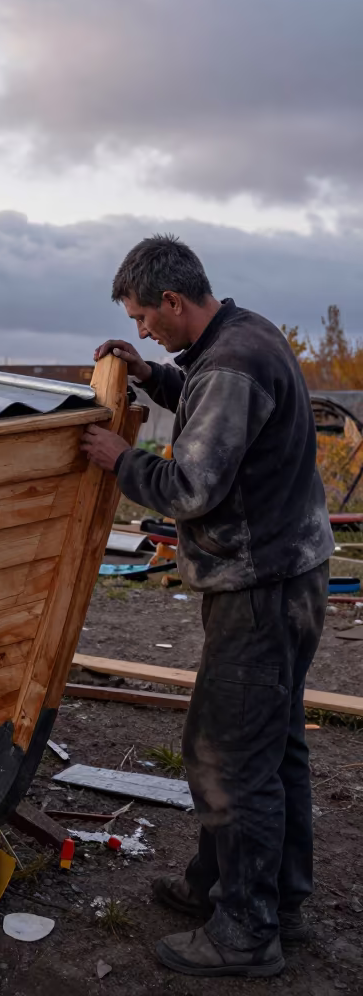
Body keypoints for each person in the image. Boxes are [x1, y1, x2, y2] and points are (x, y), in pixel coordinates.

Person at [81, 234, 333, 981]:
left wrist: (120, 461)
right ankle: (265, 896)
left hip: (259, 587)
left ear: (174, 302)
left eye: (144, 321)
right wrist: (148, 375)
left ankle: (247, 932)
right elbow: (204, 397)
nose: (140, 331)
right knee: (274, 746)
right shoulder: (245, 335)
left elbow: (192, 487)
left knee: (227, 757)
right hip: (291, 574)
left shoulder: (228, 366)